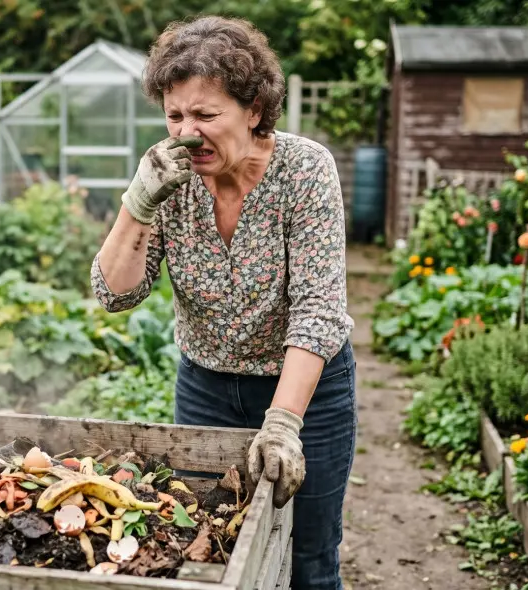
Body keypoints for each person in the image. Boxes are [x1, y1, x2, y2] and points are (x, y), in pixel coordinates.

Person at [89, 15, 357, 590]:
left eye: (206, 115)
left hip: (307, 393)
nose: (187, 132)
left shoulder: (305, 171)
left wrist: (283, 423)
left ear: (254, 109)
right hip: (206, 389)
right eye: (175, 115)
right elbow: (115, 292)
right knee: (208, 547)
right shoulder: (171, 178)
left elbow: (319, 309)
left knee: (310, 556)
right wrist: (137, 202)